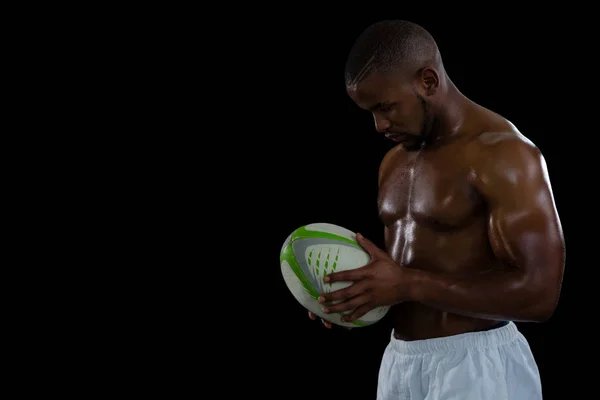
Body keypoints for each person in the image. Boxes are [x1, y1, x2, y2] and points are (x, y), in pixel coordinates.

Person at [307, 20, 565, 399]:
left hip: (478, 368)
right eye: (369, 112)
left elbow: (540, 296)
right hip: (400, 361)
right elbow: (405, 283)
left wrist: (406, 283)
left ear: (428, 81)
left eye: (386, 107)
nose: (379, 125)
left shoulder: (505, 155)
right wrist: (354, 301)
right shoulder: (393, 162)